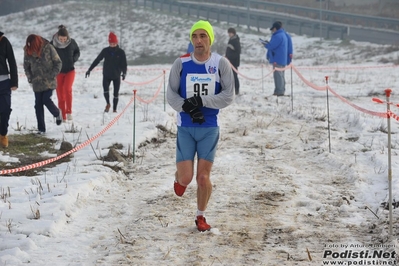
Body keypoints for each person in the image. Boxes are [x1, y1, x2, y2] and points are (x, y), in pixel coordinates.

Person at [167, 20, 235, 232]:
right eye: (195, 36)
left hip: (209, 128)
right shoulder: (181, 63)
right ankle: (179, 177)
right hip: (186, 127)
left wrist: (202, 101)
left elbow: (228, 96)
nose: (198, 40)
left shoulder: (220, 63)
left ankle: (201, 216)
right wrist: (187, 107)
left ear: (210, 39)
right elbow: (171, 94)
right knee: (186, 178)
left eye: (203, 36)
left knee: (203, 177)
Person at [23, 34, 63, 134]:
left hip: (49, 81)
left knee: (46, 99)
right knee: (38, 105)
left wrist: (52, 74)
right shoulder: (27, 51)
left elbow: (58, 62)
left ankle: (57, 113)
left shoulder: (48, 47)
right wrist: (30, 78)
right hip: (36, 82)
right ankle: (41, 129)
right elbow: (26, 66)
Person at [85, 32, 127, 113]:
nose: (112, 45)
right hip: (106, 75)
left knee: (115, 93)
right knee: (106, 91)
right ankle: (108, 104)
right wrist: (90, 69)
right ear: (109, 43)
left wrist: (124, 73)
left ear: (117, 42)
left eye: (114, 43)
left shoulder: (121, 52)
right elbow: (97, 60)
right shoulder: (105, 51)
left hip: (116, 76)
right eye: (111, 43)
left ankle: (114, 109)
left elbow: (124, 64)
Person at [50, 25, 80, 122]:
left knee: (67, 89)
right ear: (58, 37)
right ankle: (62, 115)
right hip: (58, 72)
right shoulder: (52, 44)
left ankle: (69, 112)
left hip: (70, 70)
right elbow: (47, 55)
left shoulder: (72, 42)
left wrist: (73, 59)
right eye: (61, 39)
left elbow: (77, 52)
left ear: (67, 37)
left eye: (64, 39)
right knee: (60, 94)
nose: (63, 41)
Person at [0, 31, 18, 148]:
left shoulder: (4, 41)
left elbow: (12, 61)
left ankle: (3, 135)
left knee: (5, 110)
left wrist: (14, 81)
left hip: (4, 82)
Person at [261, 21, 288, 96]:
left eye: (273, 29)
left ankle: (279, 91)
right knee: (281, 75)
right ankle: (280, 89)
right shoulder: (282, 35)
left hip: (277, 58)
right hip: (281, 58)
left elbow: (271, 46)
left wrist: (265, 44)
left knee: (278, 75)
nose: (272, 31)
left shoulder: (278, 36)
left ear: (275, 28)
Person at [225, 27, 241, 95]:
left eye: (230, 33)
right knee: (229, 76)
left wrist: (230, 57)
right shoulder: (231, 40)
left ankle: (236, 89)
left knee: (234, 76)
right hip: (229, 61)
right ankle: (231, 89)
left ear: (233, 33)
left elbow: (237, 52)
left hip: (234, 62)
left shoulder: (236, 41)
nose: (229, 34)